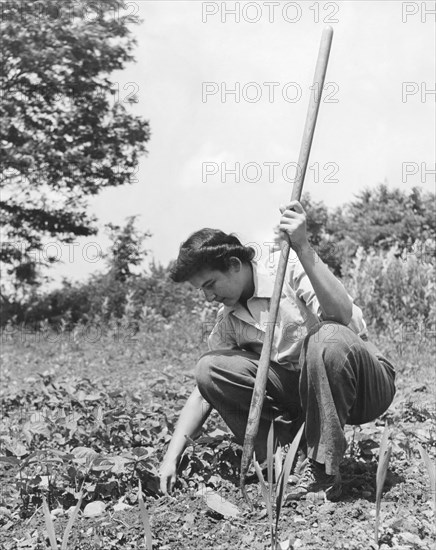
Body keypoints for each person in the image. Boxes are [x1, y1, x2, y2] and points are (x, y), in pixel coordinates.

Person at [159, 201, 396, 501]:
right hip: (305, 397)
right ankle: (278, 460)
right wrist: (171, 456)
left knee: (326, 335)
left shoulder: (288, 267)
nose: (207, 296)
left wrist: (304, 247)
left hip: (363, 383)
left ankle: (323, 471)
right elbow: (203, 391)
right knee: (210, 367)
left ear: (234, 264)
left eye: (210, 284)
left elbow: (345, 318)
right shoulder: (228, 320)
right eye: (201, 290)